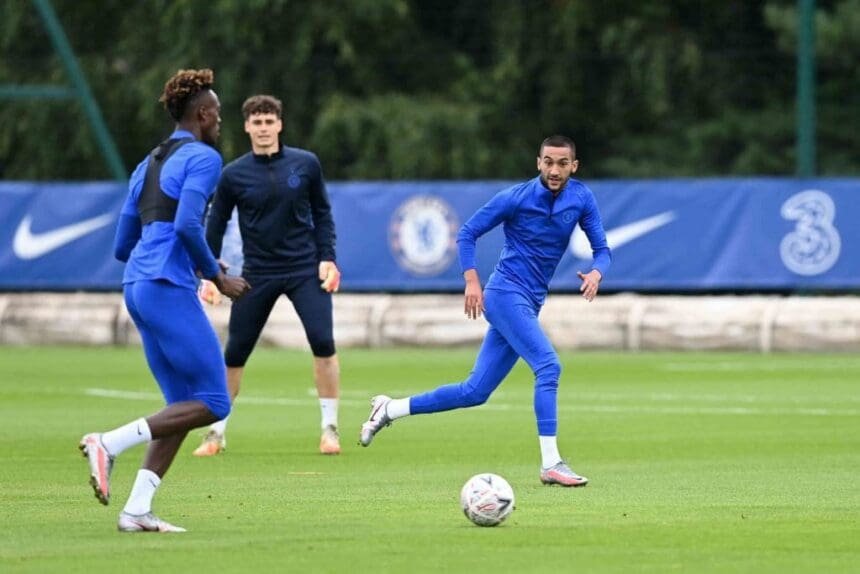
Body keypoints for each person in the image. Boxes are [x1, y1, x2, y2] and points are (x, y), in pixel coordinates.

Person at [359, 135, 611, 487]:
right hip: (505, 294)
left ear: (574, 166)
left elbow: (602, 250)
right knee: (549, 365)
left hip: (529, 301)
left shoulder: (582, 198)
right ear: (538, 162)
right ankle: (551, 463)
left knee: (474, 392)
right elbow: (467, 233)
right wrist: (472, 281)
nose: (555, 170)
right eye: (549, 162)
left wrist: (598, 272)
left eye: (562, 163)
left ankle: (389, 409)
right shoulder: (515, 198)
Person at [79, 68, 250, 532]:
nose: (219, 124)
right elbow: (188, 226)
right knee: (215, 402)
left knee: (180, 407)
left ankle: (136, 510)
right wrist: (216, 273)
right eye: (216, 114)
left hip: (137, 285)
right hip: (165, 285)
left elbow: (121, 243)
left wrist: (167, 256)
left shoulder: (147, 163)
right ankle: (109, 443)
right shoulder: (204, 158)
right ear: (202, 113)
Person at [194, 94, 342, 457]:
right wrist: (209, 274)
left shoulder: (305, 164)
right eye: (256, 122)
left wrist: (328, 258)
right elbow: (215, 223)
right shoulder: (233, 174)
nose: (263, 128)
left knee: (323, 342)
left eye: (268, 121)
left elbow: (323, 213)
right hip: (257, 272)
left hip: (304, 269)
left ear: (279, 124)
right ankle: (215, 433)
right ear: (246, 126)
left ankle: (330, 428)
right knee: (235, 353)